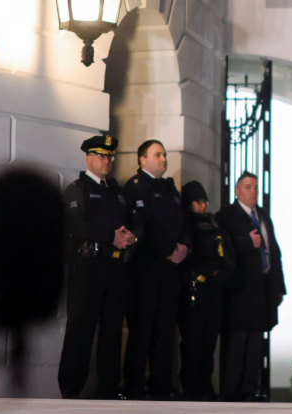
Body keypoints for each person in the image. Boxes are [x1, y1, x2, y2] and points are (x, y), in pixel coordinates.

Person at [58, 134, 141, 399]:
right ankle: (70, 390)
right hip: (87, 268)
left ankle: (109, 389)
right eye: (102, 156)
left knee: (112, 331)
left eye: (110, 156)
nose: (107, 161)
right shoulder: (77, 188)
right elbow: (76, 223)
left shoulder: (118, 192)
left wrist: (133, 237)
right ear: (89, 157)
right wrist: (111, 237)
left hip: (116, 270)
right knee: (80, 329)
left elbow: (136, 221)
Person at [121, 139, 190, 400]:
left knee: (165, 329)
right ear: (143, 160)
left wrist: (184, 247)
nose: (163, 158)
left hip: (171, 270)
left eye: (164, 154)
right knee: (142, 328)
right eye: (157, 154)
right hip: (146, 269)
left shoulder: (170, 188)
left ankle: (161, 386)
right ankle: (134, 387)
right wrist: (169, 249)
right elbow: (146, 224)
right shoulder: (136, 187)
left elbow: (183, 222)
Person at [216, 171, 285, 402]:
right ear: (237, 191)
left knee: (256, 338)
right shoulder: (226, 216)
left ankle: (250, 389)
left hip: (262, 287)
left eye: (255, 187)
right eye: (247, 187)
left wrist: (278, 287)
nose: (252, 191)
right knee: (237, 339)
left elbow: (273, 251)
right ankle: (232, 391)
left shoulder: (263, 215)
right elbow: (222, 248)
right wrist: (247, 242)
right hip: (238, 288)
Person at [177, 180, 235, 401]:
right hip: (193, 290)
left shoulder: (214, 224)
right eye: (198, 202)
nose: (203, 206)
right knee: (193, 340)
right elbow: (185, 255)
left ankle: (205, 385)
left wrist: (221, 275)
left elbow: (228, 254)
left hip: (214, 289)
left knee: (209, 341)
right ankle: (191, 387)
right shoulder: (186, 225)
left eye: (204, 201)